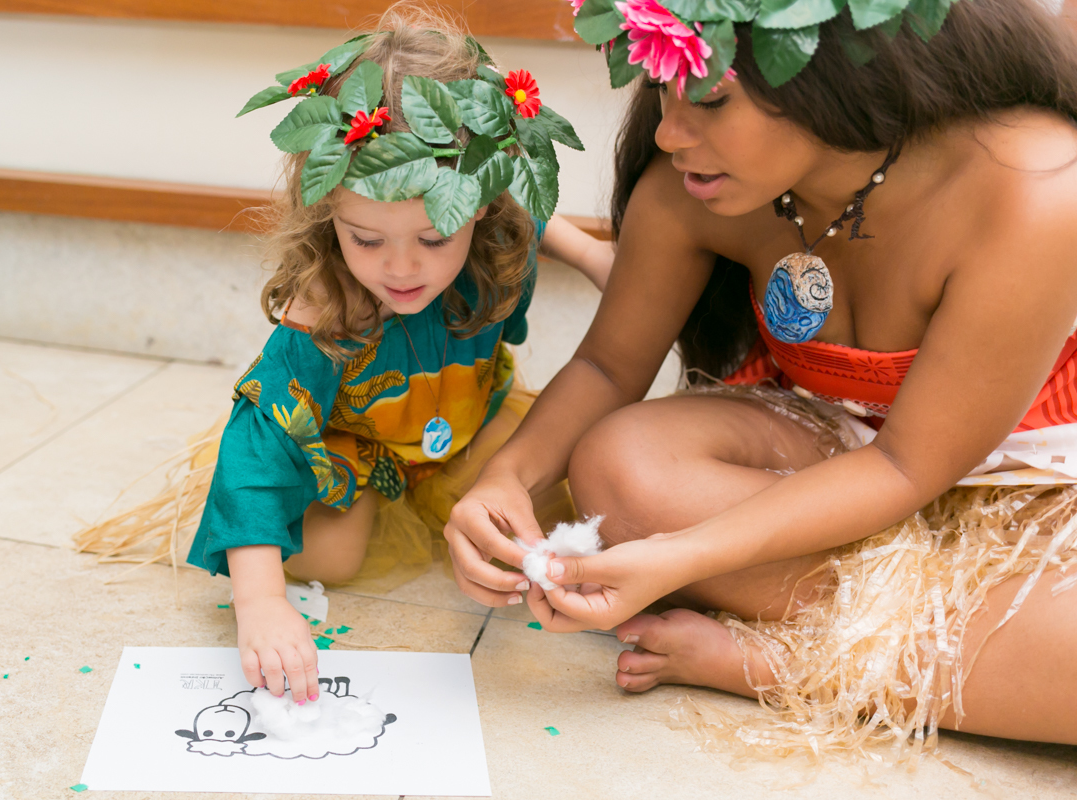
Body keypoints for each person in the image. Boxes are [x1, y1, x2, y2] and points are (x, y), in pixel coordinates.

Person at [444, 0, 1077, 754]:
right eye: (662, 94)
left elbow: (909, 464)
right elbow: (608, 366)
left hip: (1031, 486)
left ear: (832, 72)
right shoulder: (689, 185)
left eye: (709, 100)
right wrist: (508, 476)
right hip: (832, 445)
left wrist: (684, 556)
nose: (670, 133)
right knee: (620, 463)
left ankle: (775, 660)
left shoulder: (1037, 187)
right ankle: (931, 644)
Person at [141, 6, 617, 707]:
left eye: (433, 238)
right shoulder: (325, 309)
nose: (401, 269)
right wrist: (262, 599)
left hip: (464, 415)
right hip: (358, 447)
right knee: (332, 554)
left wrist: (593, 256)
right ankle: (256, 535)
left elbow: (532, 216)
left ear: (478, 207)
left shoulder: (492, 230)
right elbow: (260, 439)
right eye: (365, 239)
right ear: (326, 209)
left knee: (562, 480)